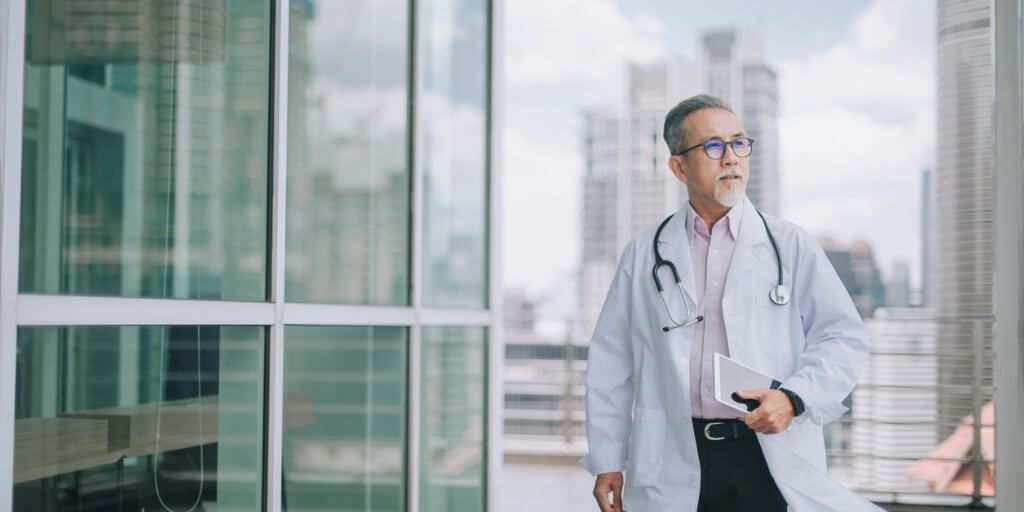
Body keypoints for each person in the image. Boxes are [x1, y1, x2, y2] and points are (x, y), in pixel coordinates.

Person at [579, 94, 881, 512]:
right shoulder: (645, 252)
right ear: (679, 166)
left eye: (739, 143)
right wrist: (608, 458)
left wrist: (793, 398)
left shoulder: (790, 245)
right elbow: (612, 360)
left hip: (763, 452)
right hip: (671, 450)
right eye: (713, 146)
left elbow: (842, 337)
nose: (731, 159)